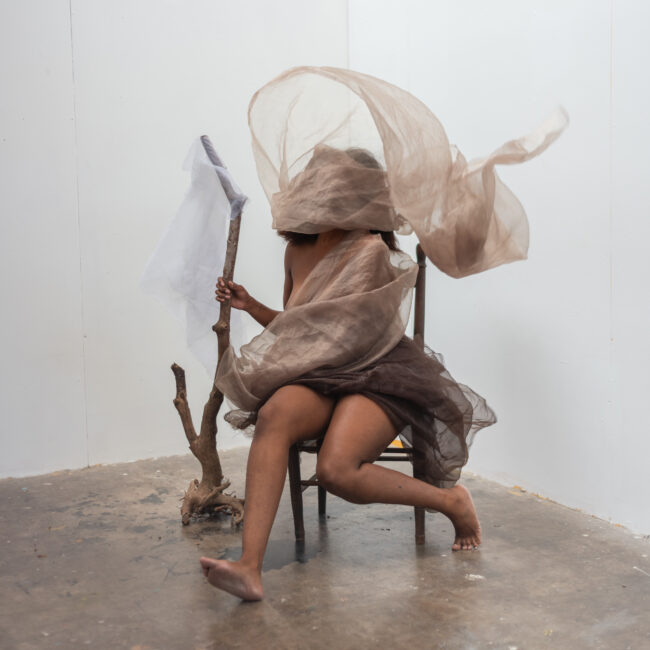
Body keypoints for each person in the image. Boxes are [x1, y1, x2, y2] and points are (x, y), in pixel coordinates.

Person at [199, 212, 491, 602]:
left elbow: (356, 336)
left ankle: (452, 501)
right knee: (273, 416)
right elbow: (298, 330)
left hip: (376, 369)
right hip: (318, 372)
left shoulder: (371, 249)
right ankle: (249, 567)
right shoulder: (295, 251)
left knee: (335, 471)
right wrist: (251, 305)